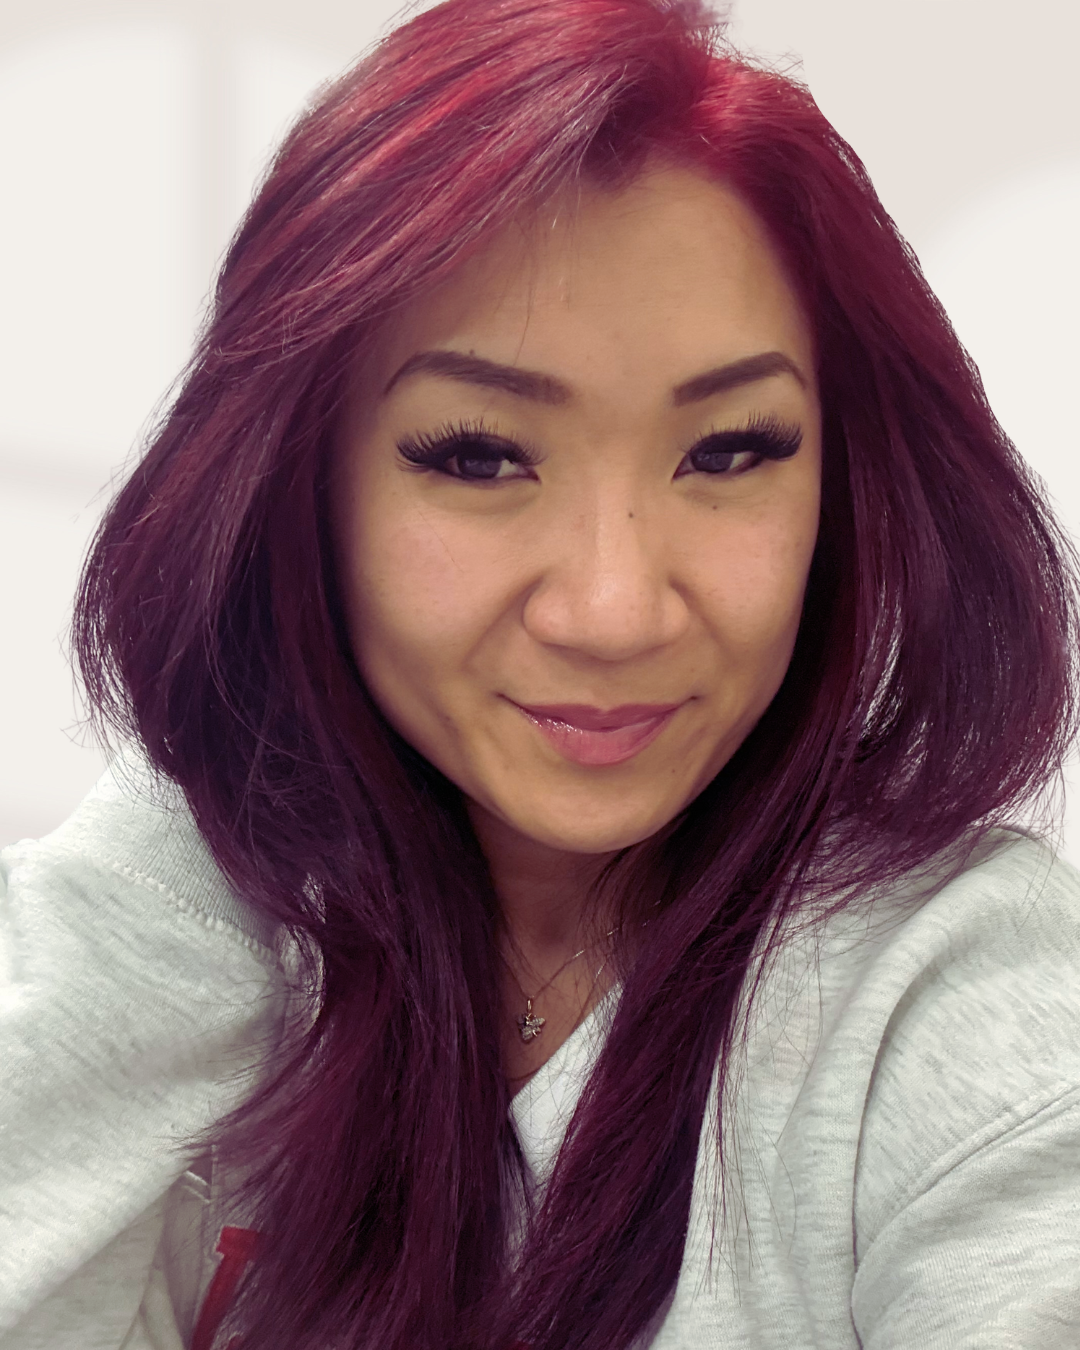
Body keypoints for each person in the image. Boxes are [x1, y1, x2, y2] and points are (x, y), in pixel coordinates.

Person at [3, 0, 1080, 1346]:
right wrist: (201, 823)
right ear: (298, 489)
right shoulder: (188, 915)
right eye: (476, 455)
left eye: (733, 450)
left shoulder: (960, 995)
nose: (614, 607)